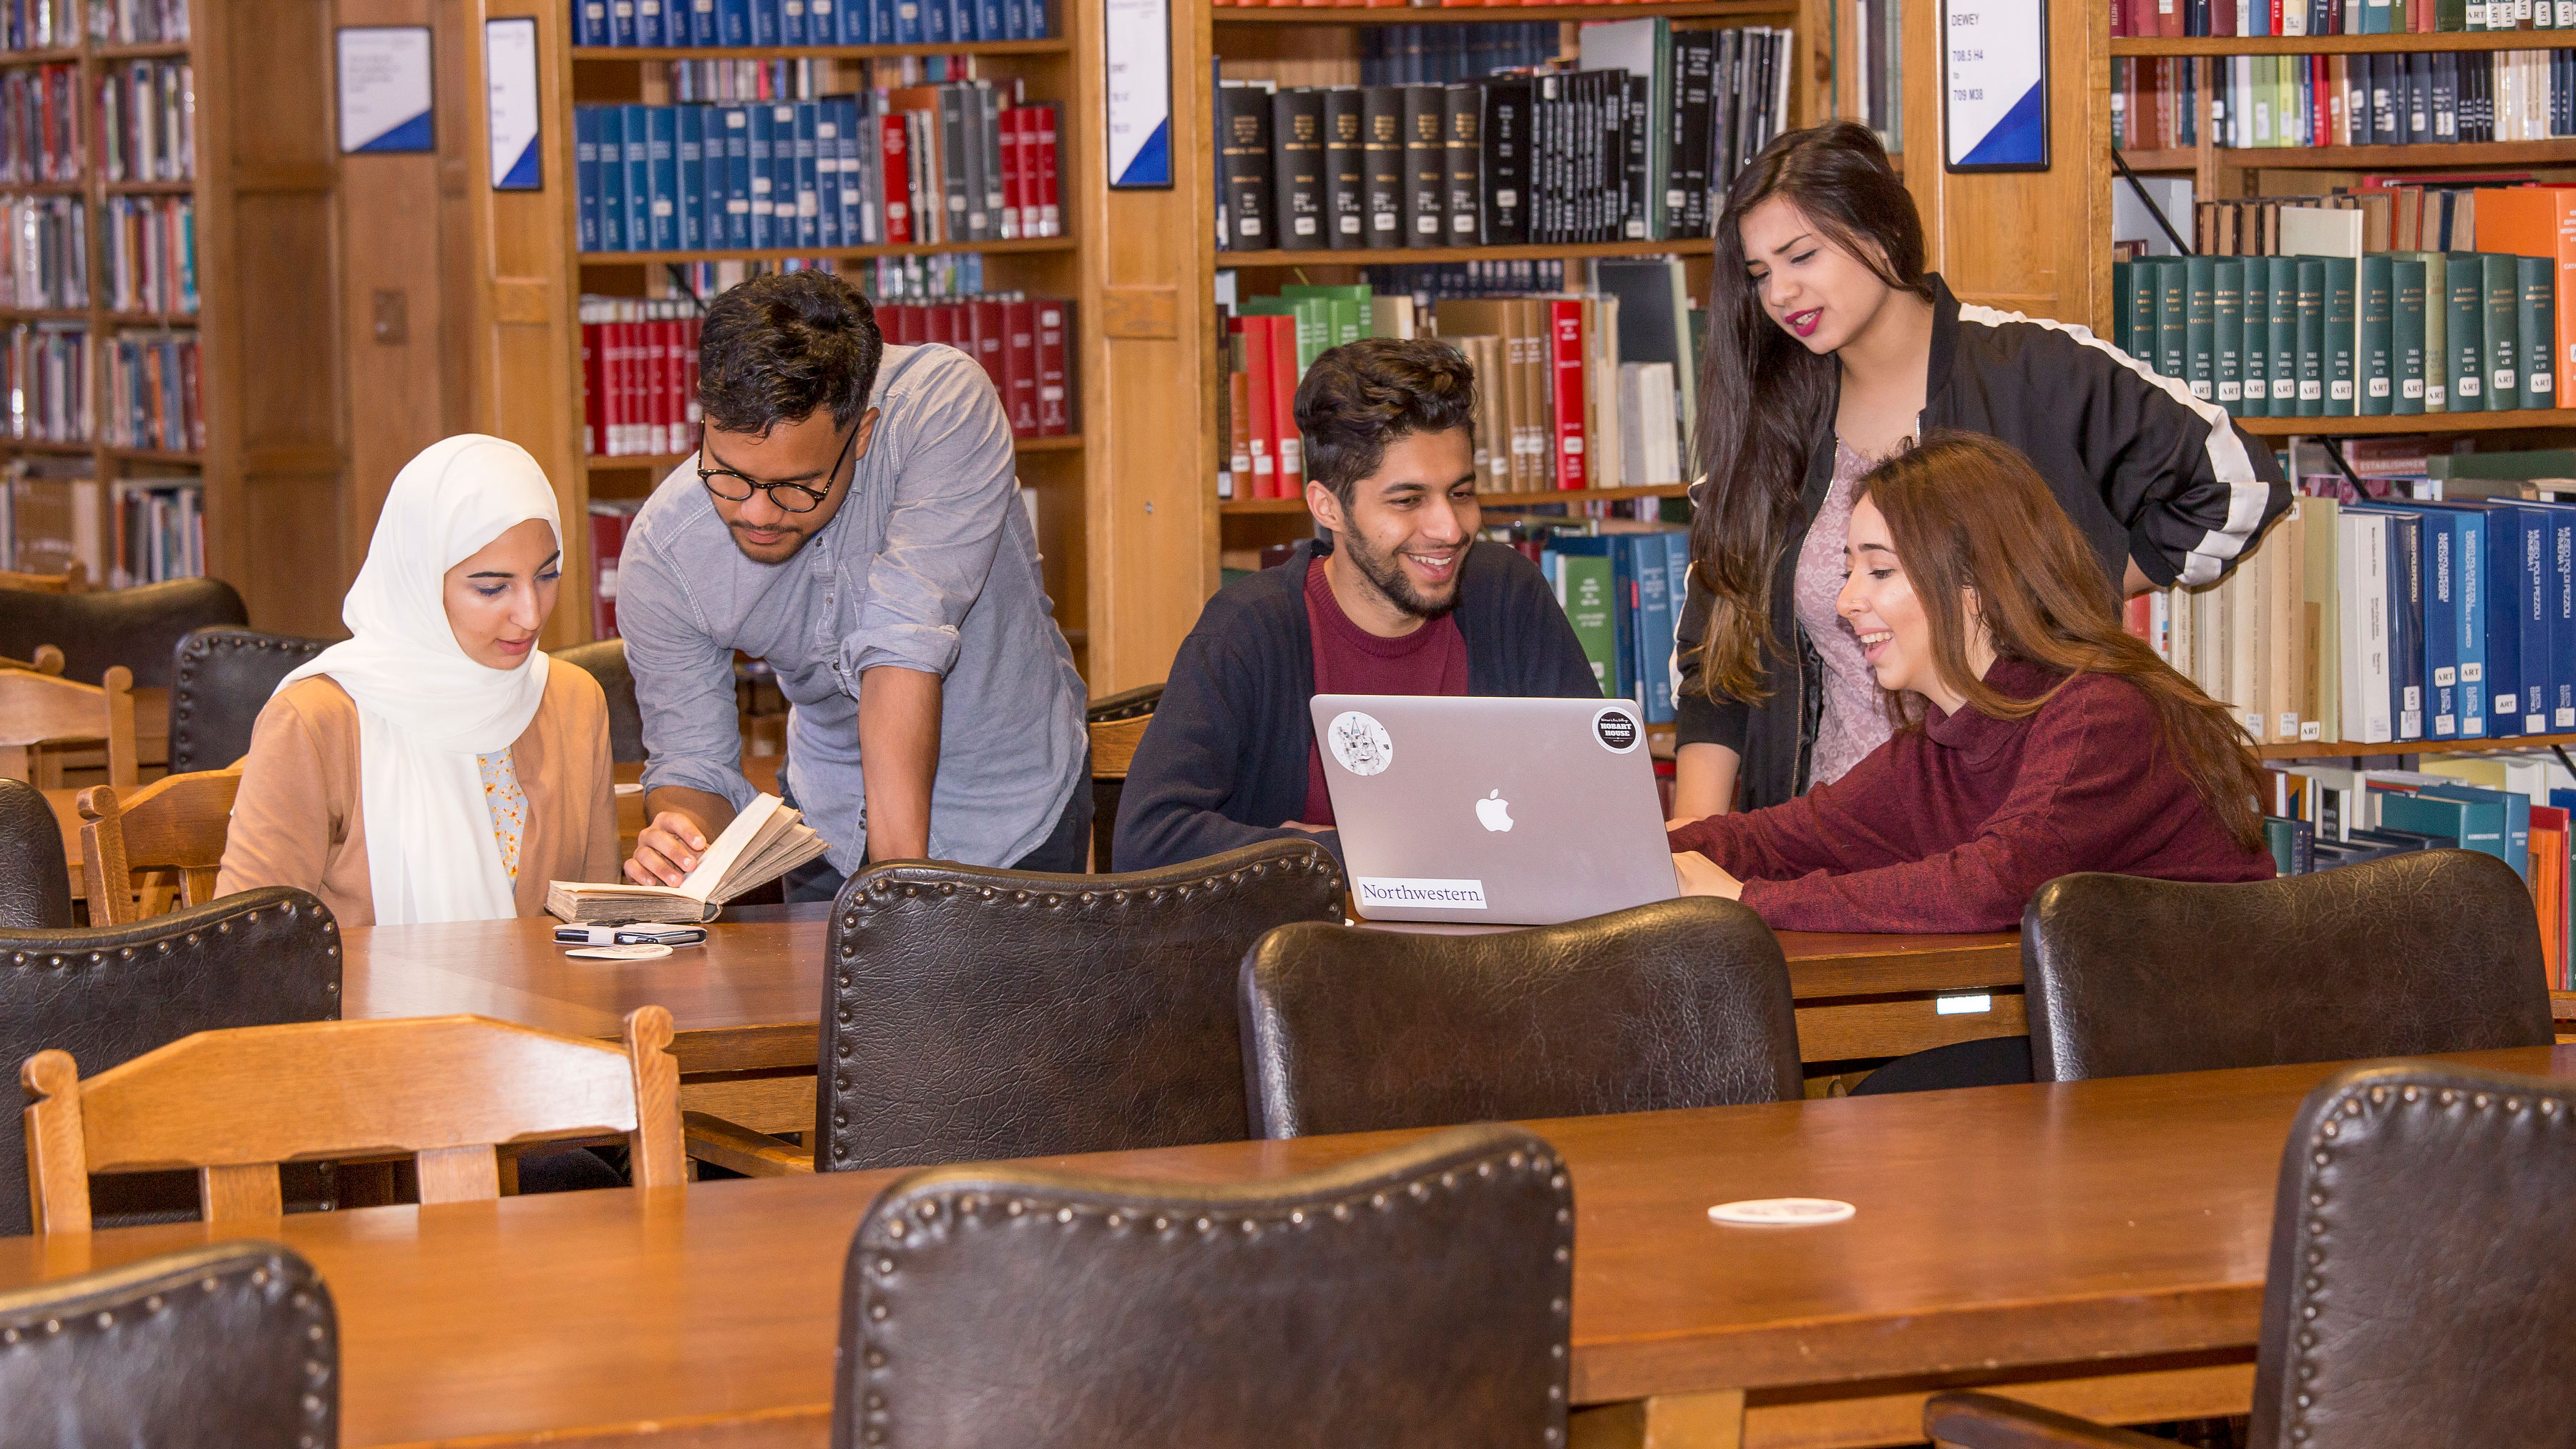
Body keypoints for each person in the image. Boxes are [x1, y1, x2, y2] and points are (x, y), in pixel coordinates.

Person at [1672, 121, 2292, 819]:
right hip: (1826, 838)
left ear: (1877, 232)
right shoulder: (1771, 427)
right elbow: (1718, 677)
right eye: (1760, 275)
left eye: (1801, 257)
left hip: (2014, 829)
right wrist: (1694, 859)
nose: (1780, 293)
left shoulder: (2030, 369)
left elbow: (2240, 483)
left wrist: (2049, 589)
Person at [1667, 431, 2275, 935]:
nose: (1847, 600)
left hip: (2196, 1050)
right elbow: (1781, 840)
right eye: (1849, 570)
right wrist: (1634, 853)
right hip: (2099, 1027)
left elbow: (1992, 886)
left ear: (1977, 584)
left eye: (1879, 570)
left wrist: (1749, 900)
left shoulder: (2099, 714)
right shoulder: (1942, 744)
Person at [617, 271, 1088, 896]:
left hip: (1011, 805)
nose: (756, 513)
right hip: (829, 825)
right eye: (728, 473)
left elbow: (901, 647)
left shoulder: (942, 408)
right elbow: (694, 762)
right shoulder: (666, 555)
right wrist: (682, 835)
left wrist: (897, 905)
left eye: (795, 485)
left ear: (860, 435)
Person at [1114, 337, 1599, 872]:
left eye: (1461, 493)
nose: (1449, 528)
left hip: (1493, 948)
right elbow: (1147, 841)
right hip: (1310, 950)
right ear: (1329, 508)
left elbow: (1597, 798)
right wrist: (1325, 856)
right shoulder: (1248, 629)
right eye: (1407, 500)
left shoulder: (1507, 594)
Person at [219, 434, 618, 927]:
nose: (530, 614)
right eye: (493, 587)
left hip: (555, 1005)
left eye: (547, 575)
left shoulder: (575, 700)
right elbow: (249, 950)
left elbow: (602, 929)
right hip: (371, 1006)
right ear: (419, 582)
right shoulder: (316, 722)